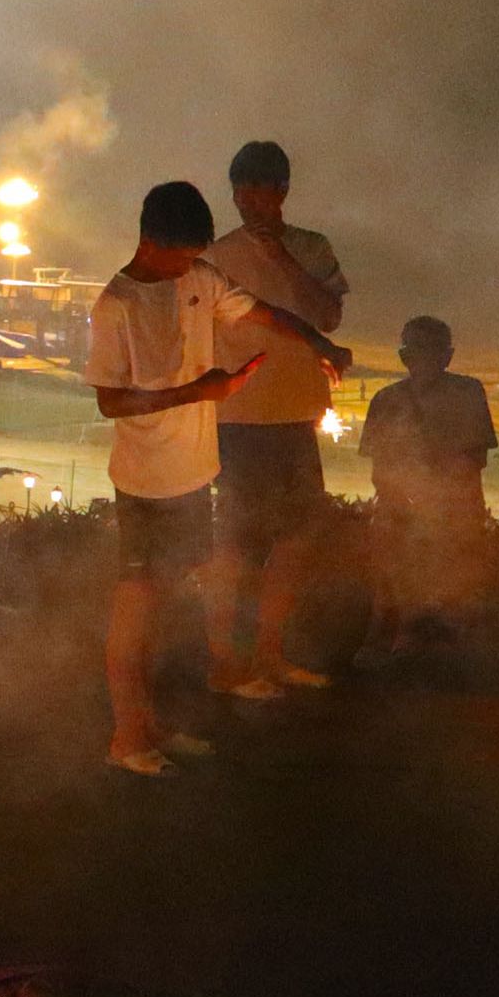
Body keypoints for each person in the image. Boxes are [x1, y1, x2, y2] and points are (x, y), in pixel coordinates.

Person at [86, 181, 353, 775]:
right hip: (145, 486)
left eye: (194, 257)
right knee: (137, 607)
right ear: (149, 241)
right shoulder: (117, 304)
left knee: (165, 609)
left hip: (193, 475)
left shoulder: (200, 280)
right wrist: (198, 392)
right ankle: (125, 738)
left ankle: (149, 723)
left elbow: (263, 311)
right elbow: (109, 401)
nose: (190, 267)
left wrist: (317, 341)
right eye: (181, 256)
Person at [203, 141, 352, 697]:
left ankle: (270, 654)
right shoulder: (215, 257)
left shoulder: (312, 248)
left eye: (258, 192)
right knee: (236, 543)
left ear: (282, 191)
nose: (247, 204)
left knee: (295, 539)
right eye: (239, 193)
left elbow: (328, 316)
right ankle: (225, 662)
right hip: (237, 417)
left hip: (296, 413)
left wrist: (283, 260)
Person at [356, 317, 498, 660]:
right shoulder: (389, 400)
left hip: (451, 511)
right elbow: (381, 469)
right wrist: (406, 497)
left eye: (430, 351)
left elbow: (471, 460)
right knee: (395, 569)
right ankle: (393, 636)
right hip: (405, 509)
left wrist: (430, 497)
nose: (425, 359)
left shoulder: (465, 394)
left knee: (449, 579)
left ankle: (428, 641)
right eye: (419, 351)